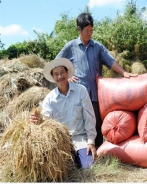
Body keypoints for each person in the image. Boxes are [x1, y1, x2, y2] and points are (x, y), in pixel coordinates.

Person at [55, 12, 138, 148]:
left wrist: (124, 72)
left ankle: (98, 152)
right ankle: (78, 152)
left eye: (91, 30)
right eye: (87, 31)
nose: (89, 33)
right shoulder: (70, 47)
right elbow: (57, 63)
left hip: (94, 93)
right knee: (78, 123)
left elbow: (110, 61)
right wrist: (68, 76)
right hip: (76, 93)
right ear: (78, 29)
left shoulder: (97, 47)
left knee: (95, 122)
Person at [29, 58, 97, 169]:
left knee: (88, 166)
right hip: (60, 141)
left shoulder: (81, 90)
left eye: (62, 72)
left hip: (79, 138)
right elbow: (46, 121)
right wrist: (37, 120)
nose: (60, 76)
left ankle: (80, 156)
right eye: (56, 74)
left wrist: (91, 142)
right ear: (53, 77)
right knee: (57, 169)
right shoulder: (49, 99)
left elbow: (89, 117)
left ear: (67, 73)